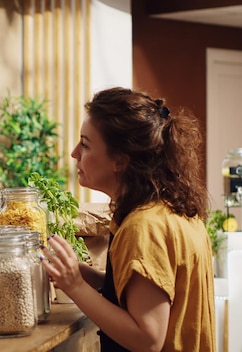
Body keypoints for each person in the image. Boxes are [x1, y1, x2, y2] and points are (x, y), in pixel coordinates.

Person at [42, 87, 216, 351]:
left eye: (86, 144)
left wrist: (75, 286)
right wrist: (84, 274)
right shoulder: (170, 210)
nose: (74, 153)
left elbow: (147, 339)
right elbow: (152, 297)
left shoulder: (143, 227)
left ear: (120, 161)